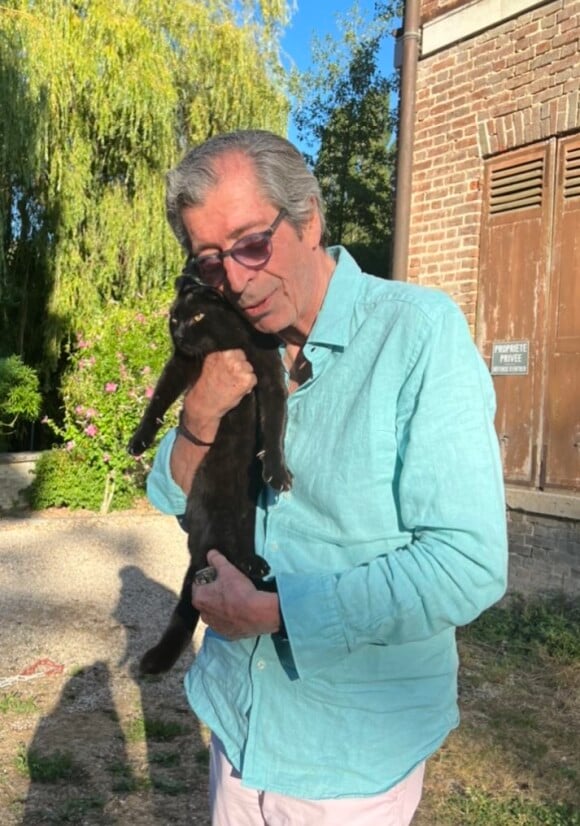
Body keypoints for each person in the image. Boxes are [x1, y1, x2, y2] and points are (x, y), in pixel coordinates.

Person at [146, 129, 508, 825]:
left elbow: (468, 563)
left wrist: (278, 614)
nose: (237, 279)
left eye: (252, 243)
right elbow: (169, 493)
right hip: (236, 723)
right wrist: (196, 417)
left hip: (348, 760)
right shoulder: (229, 340)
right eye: (210, 260)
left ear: (310, 218)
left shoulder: (419, 335)